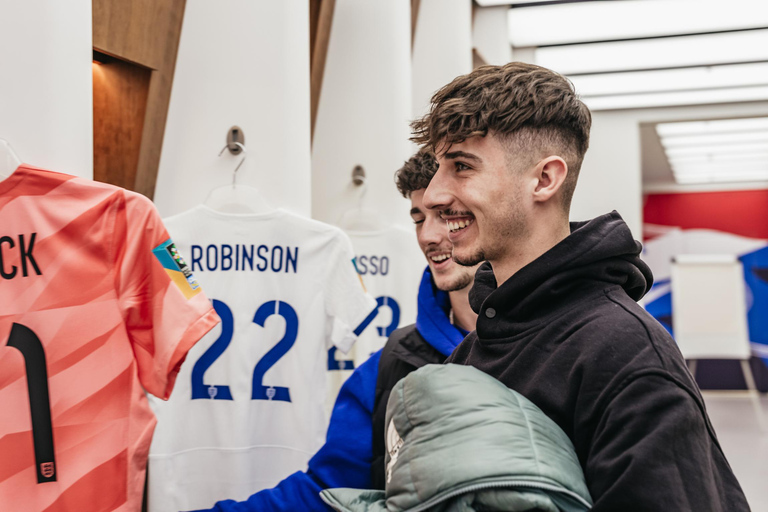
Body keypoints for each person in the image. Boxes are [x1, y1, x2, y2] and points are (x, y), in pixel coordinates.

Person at [413, 62, 750, 511]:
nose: (433, 194)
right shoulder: (474, 349)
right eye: (439, 168)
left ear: (544, 179)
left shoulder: (627, 355)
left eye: (461, 166)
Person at [193, 149, 478, 512]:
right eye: (419, 219)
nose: (427, 236)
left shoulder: (561, 342)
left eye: (447, 215)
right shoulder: (390, 366)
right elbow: (325, 493)